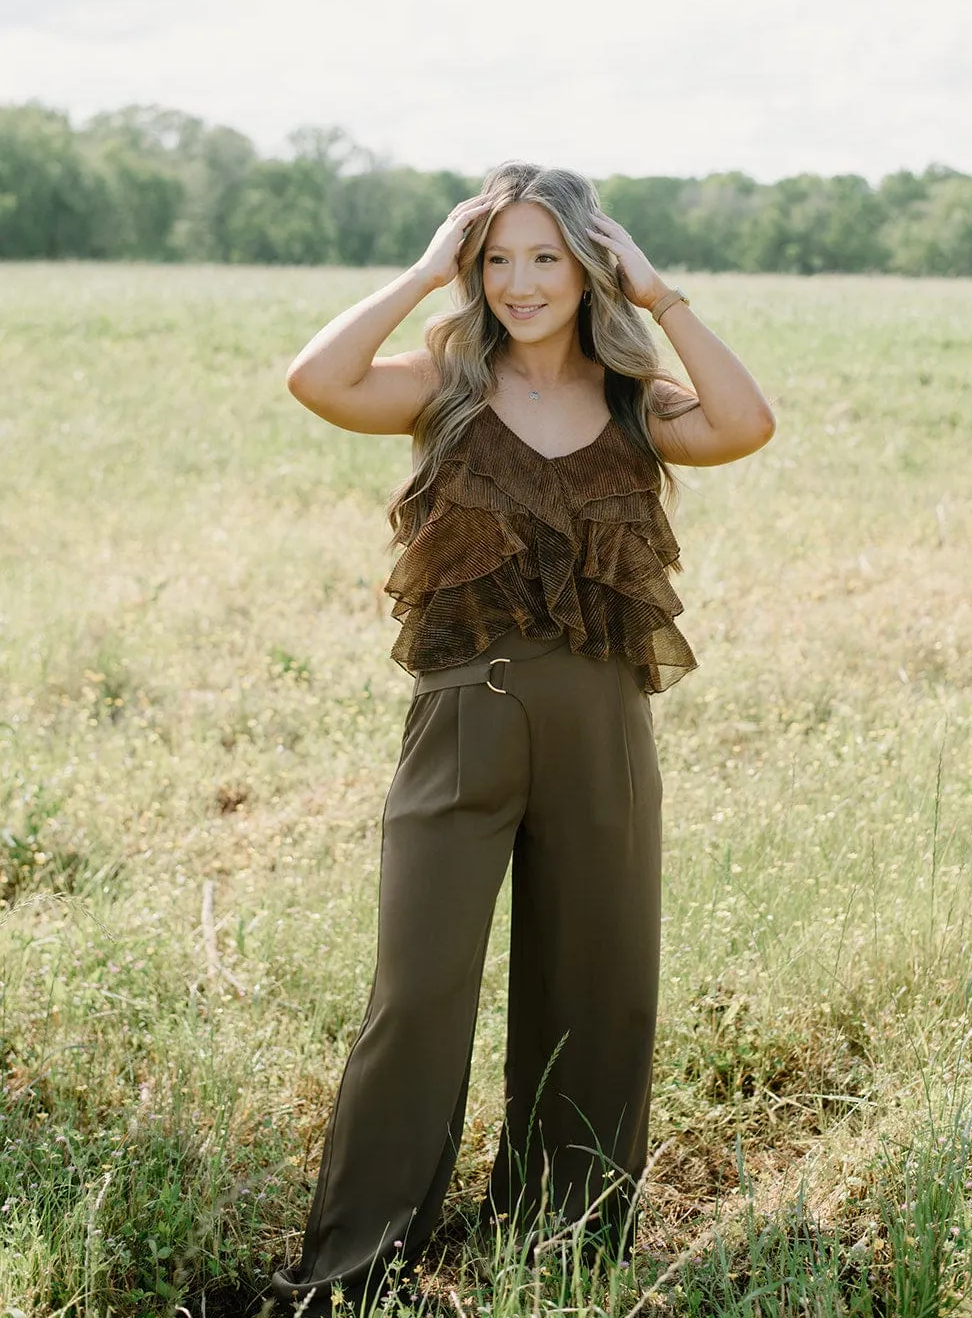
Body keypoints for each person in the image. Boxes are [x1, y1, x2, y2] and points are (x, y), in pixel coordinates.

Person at [269, 162, 775, 1313]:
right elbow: (316, 378)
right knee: (419, 986)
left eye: (546, 256)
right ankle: (360, 1264)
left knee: (601, 987)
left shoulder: (636, 395)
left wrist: (662, 296)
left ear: (589, 262)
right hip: (463, 718)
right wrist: (419, 270)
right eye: (496, 257)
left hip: (603, 723)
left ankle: (566, 1244)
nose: (519, 281)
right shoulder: (444, 384)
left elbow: (747, 422)